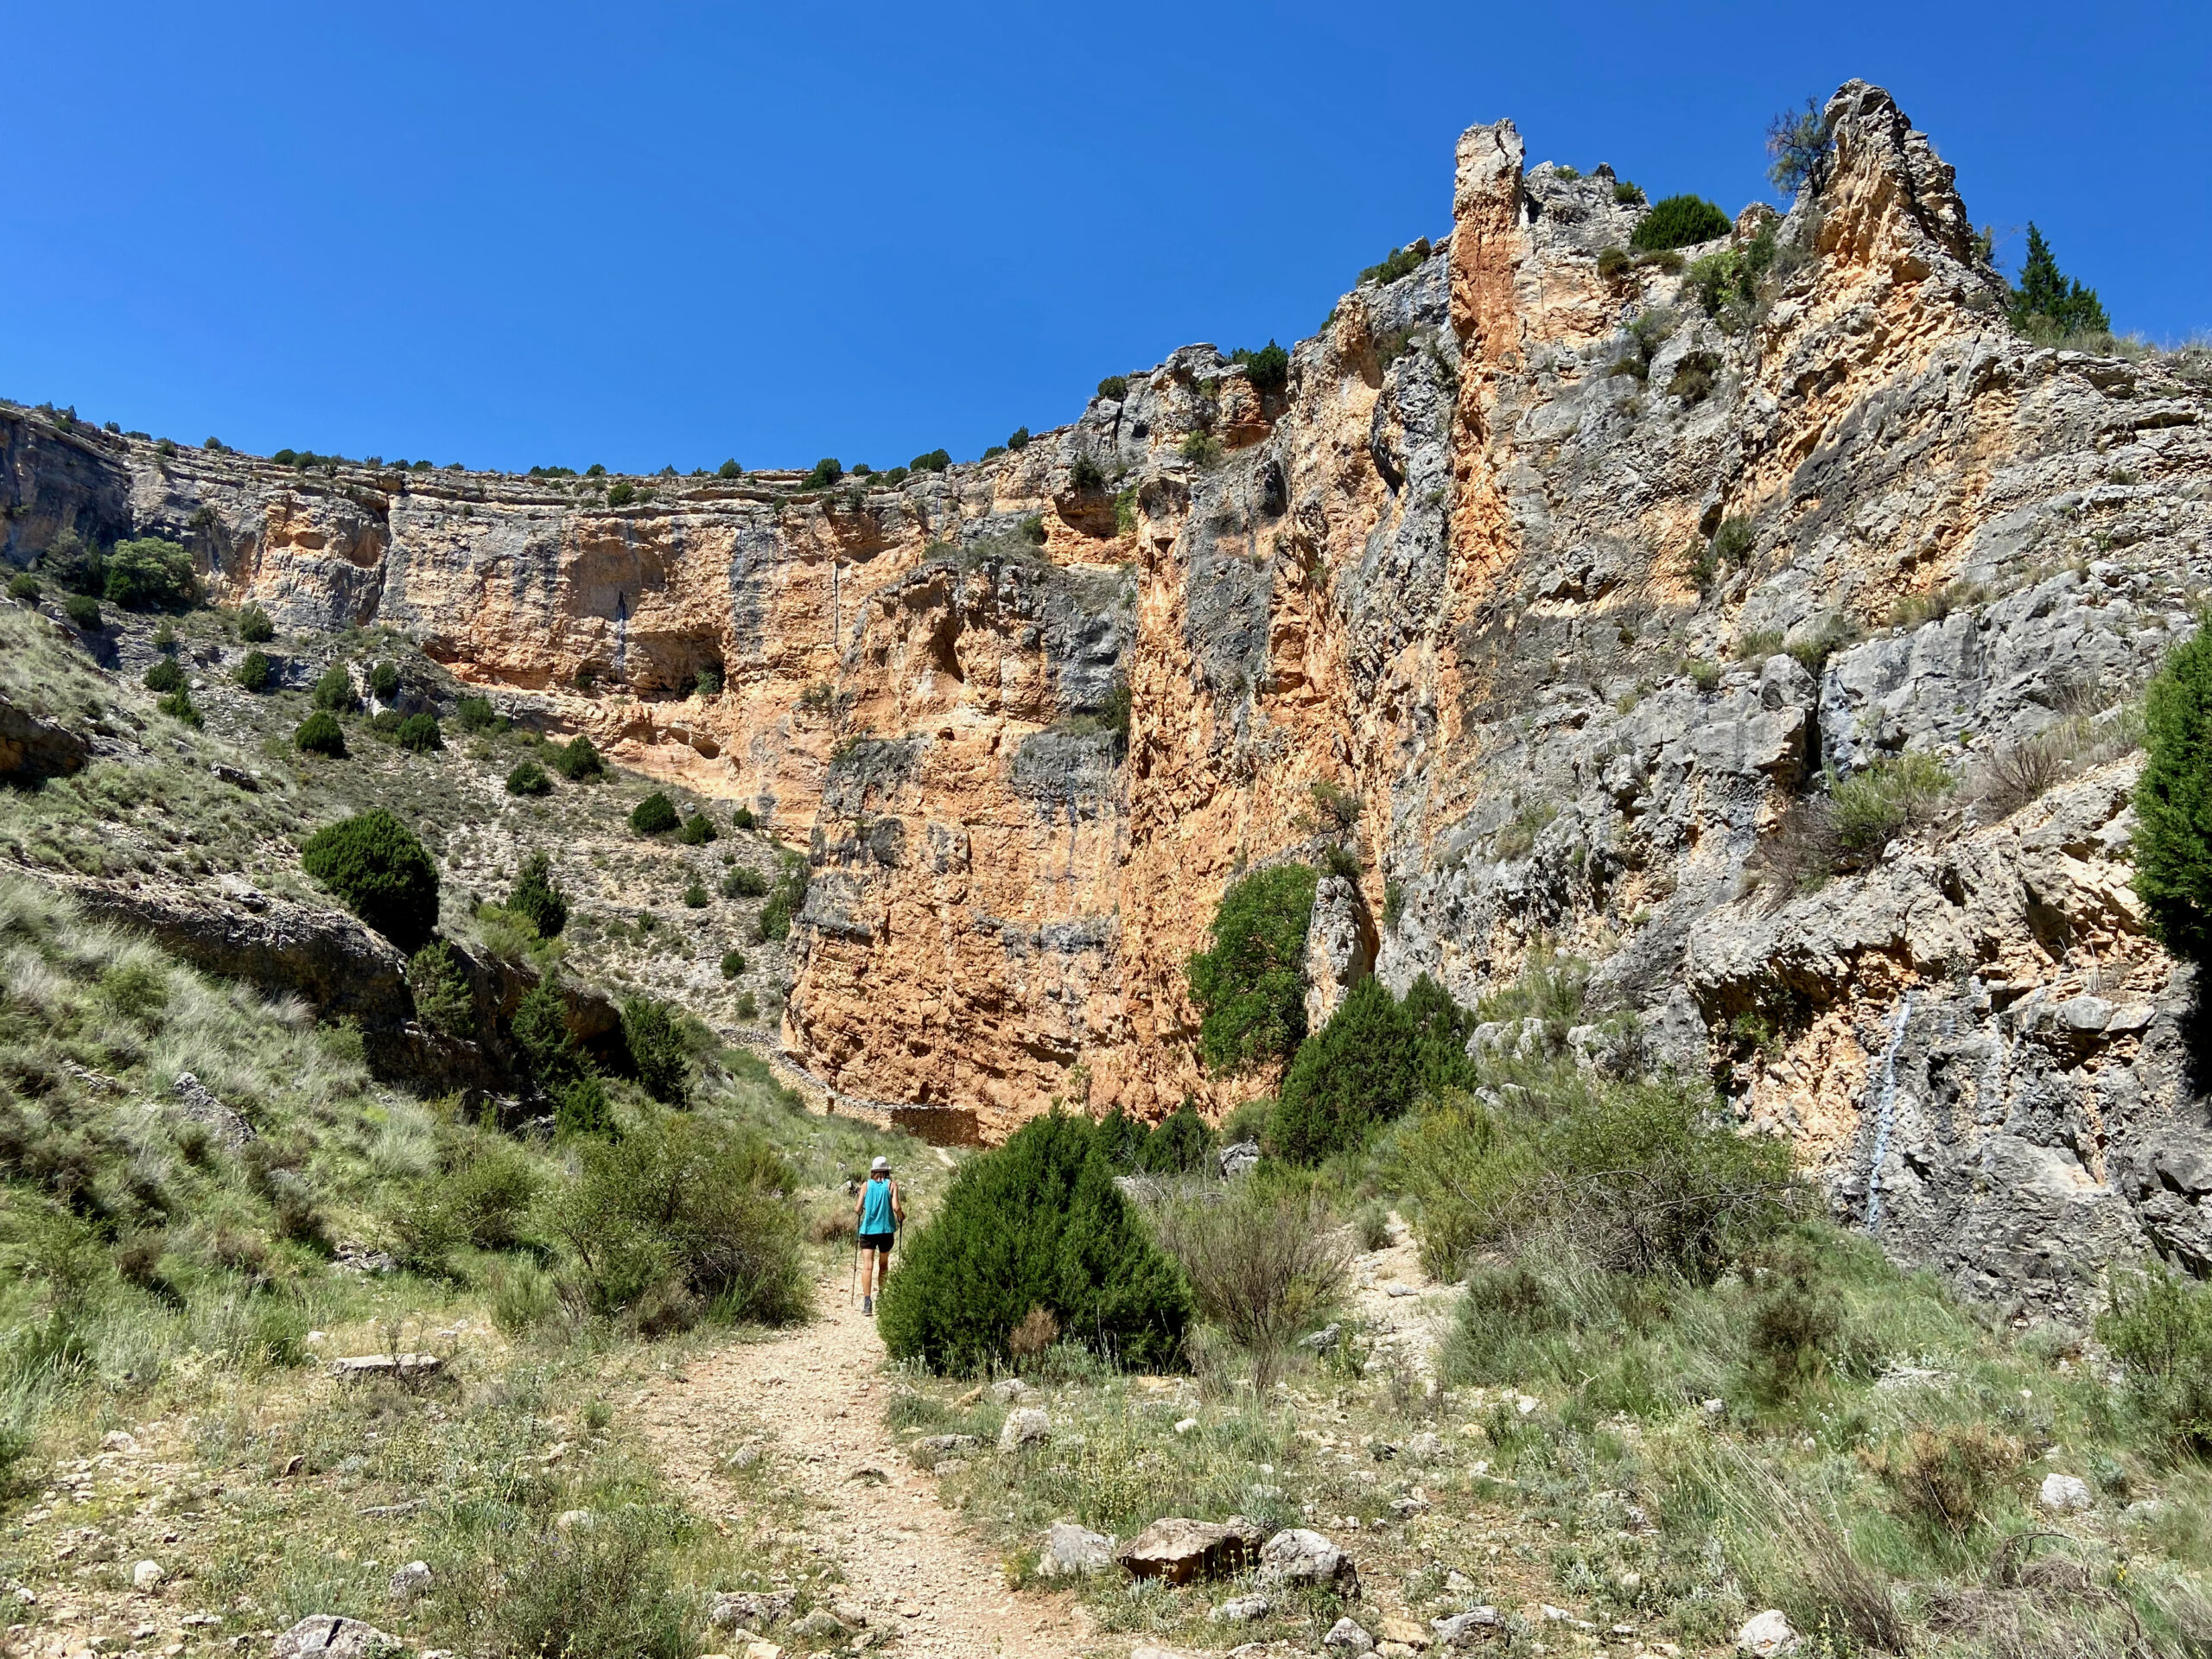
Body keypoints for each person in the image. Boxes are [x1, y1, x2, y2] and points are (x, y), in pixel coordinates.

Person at [853, 1154, 903, 1315]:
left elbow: (857, 1209)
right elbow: (896, 1207)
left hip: (868, 1231)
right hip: (886, 1230)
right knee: (883, 1264)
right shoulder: (892, 1185)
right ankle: (882, 1296)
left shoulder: (866, 1186)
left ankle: (867, 1303)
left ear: (873, 1171)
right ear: (887, 1171)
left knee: (867, 1266)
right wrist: (902, 1216)